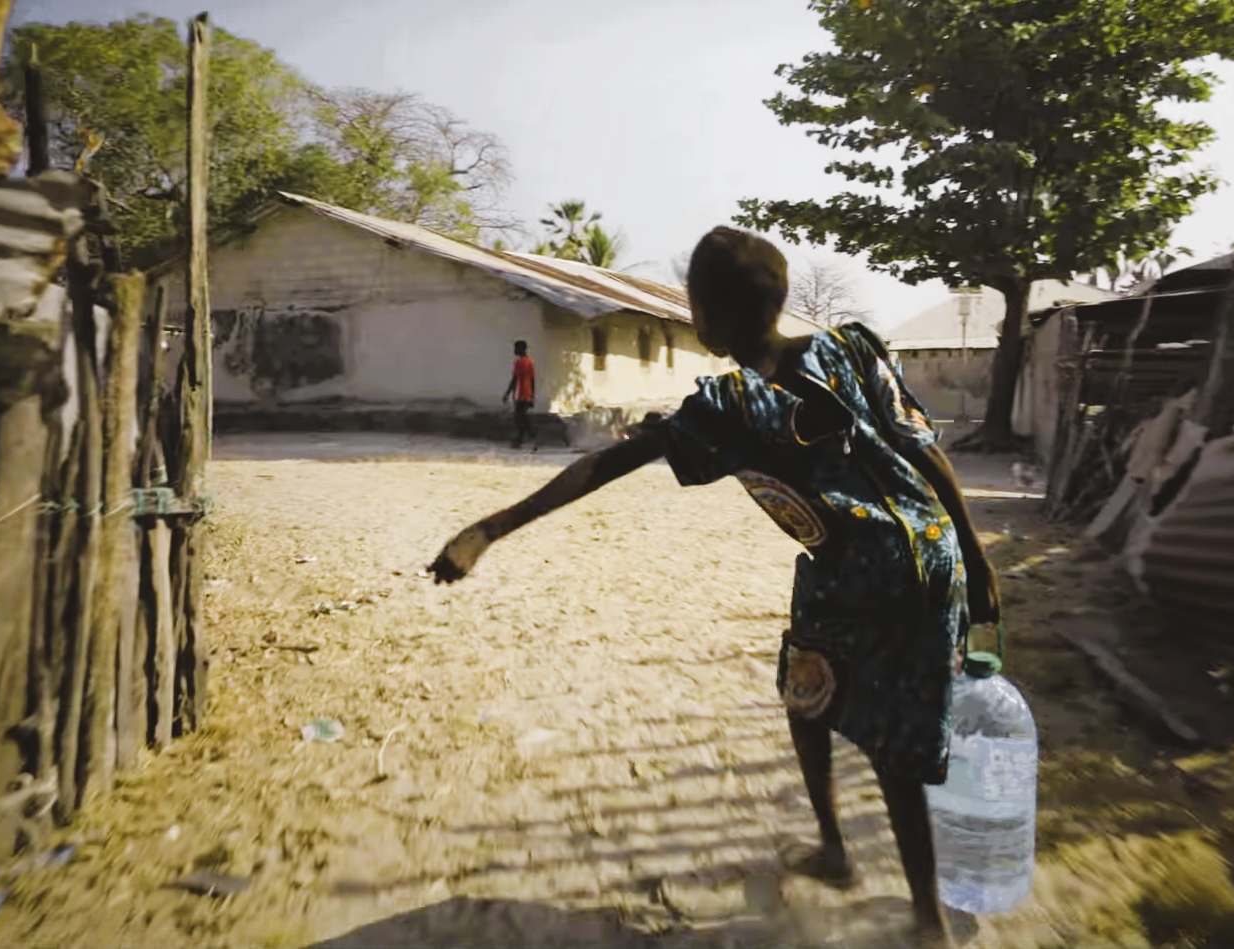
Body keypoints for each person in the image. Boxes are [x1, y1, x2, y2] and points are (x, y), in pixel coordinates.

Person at [428, 226, 1002, 948]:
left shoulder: (730, 403)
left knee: (852, 720)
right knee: (815, 689)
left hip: (864, 571)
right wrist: (977, 560)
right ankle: (896, 893)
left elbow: (604, 466)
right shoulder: (852, 347)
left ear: (705, 315)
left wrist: (488, 528)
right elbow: (922, 443)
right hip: (931, 553)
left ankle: (919, 916)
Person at [503, 339, 537, 450]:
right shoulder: (530, 361)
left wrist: (507, 394)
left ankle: (530, 437)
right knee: (522, 417)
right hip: (527, 394)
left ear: (521, 349)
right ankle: (522, 440)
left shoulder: (519, 362)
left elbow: (514, 379)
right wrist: (532, 396)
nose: (514, 350)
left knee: (519, 418)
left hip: (521, 394)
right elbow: (532, 380)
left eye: (516, 348)